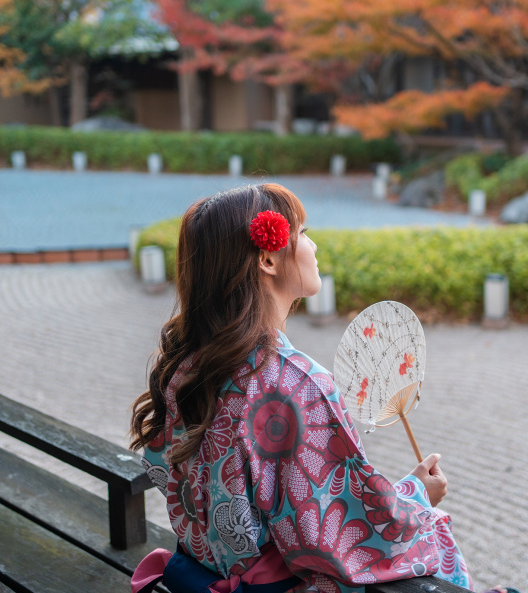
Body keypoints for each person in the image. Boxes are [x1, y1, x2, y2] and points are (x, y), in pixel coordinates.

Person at [129, 183, 474, 593]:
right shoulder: (294, 384)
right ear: (269, 258)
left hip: (202, 575)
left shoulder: (185, 367)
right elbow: (338, 532)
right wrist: (417, 497)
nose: (313, 246)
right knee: (435, 535)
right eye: (305, 233)